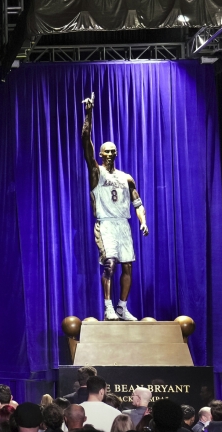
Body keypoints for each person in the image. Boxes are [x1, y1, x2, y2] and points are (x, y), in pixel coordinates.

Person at [81, 93, 149, 321]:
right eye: (105, 151)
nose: (109, 153)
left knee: (128, 266)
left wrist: (143, 221)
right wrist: (88, 114)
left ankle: (122, 307)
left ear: (117, 153)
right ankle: (108, 307)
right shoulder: (95, 172)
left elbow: (137, 202)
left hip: (123, 225)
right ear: (100, 154)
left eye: (112, 150)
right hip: (106, 225)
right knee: (109, 264)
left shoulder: (126, 177)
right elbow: (85, 140)